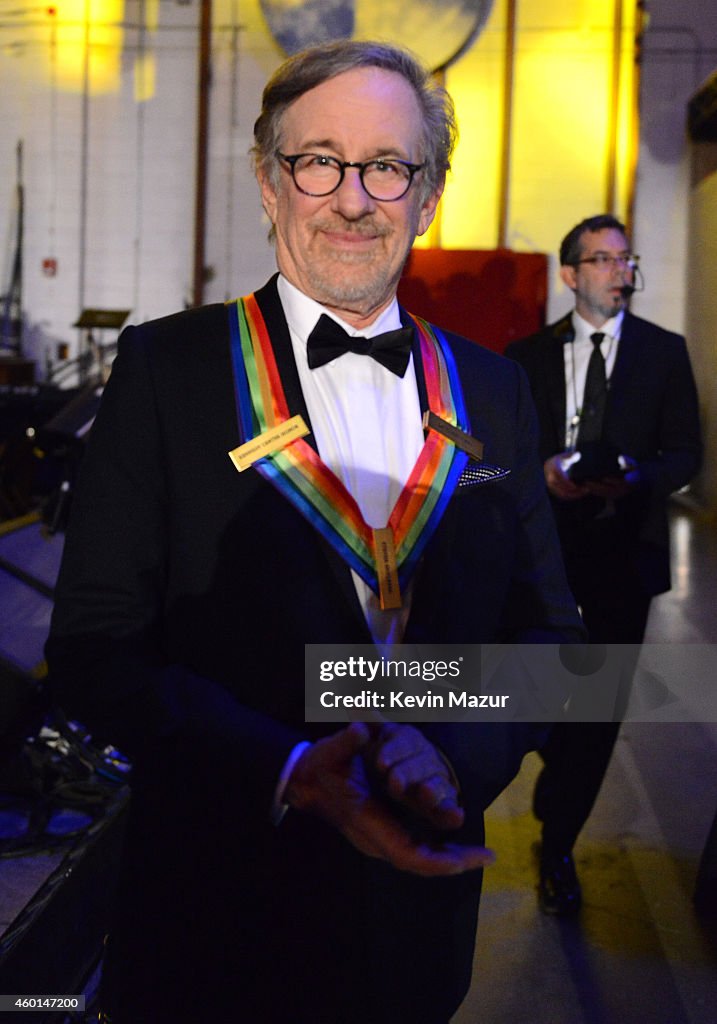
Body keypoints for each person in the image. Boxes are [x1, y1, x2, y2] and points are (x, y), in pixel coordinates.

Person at [46, 41, 582, 1024]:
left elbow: (552, 639)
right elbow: (91, 648)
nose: (351, 198)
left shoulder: (497, 390)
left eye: (387, 165)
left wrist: (449, 751)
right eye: (318, 160)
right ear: (268, 181)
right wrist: (292, 768)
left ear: (428, 195)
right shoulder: (169, 371)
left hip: (417, 932)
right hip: (217, 916)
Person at [506, 214, 702, 915]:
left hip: (625, 555)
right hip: (543, 554)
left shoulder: (663, 352)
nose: (620, 272)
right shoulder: (522, 357)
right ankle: (551, 759)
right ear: (570, 275)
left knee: (599, 707)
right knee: (540, 692)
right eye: (602, 260)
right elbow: (496, 458)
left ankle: (557, 840)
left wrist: (635, 475)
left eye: (626, 260)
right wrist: (544, 471)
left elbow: (686, 455)